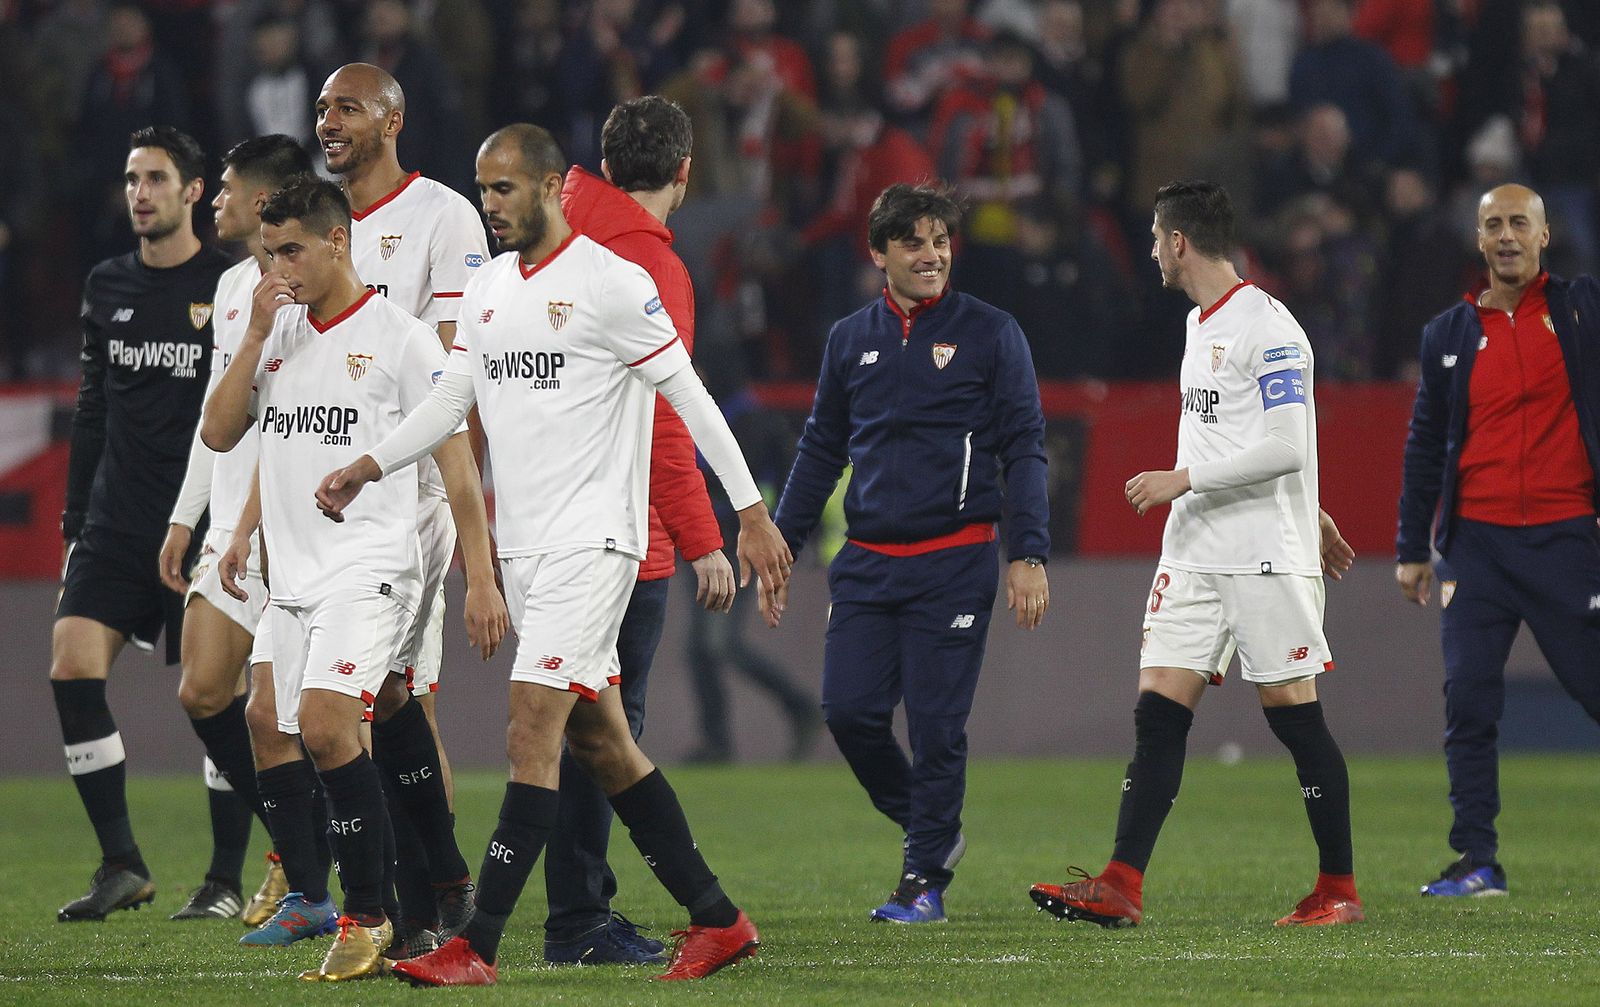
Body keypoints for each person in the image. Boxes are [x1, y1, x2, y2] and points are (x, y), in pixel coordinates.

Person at [313, 123, 790, 987]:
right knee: (606, 743)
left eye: (503, 189)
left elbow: (691, 395)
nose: (489, 205)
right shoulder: (491, 288)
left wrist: (749, 510)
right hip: (527, 549)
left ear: (548, 188)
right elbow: (451, 396)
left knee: (530, 728)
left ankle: (477, 943)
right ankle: (719, 918)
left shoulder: (614, 284)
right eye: (482, 189)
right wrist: (368, 463)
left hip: (595, 543)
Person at [1028, 180, 1363, 929]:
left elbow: (1284, 443)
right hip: (1195, 551)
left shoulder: (1269, 328)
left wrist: (1191, 481)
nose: (1150, 250)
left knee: (1294, 719)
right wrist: (1311, 506)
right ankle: (1121, 879)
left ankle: (1337, 887)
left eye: (1154, 237)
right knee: (1157, 711)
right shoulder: (1197, 324)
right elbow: (1243, 436)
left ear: (1179, 241)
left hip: (1260, 557)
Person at [199, 176, 505, 981]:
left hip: (373, 562)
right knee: (378, 706)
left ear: (339, 241)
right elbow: (223, 431)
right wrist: (257, 334)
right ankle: (447, 882)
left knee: (328, 723)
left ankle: (365, 919)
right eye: (269, 255)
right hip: (291, 574)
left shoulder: (402, 338)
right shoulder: (280, 331)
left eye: (292, 251)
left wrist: (479, 573)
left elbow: (457, 460)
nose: (280, 270)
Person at [768, 182, 1051, 924]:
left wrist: (1029, 553)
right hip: (865, 561)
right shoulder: (848, 339)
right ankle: (936, 827)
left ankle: (922, 878)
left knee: (935, 727)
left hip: (954, 559)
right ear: (879, 253)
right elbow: (821, 448)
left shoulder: (993, 333)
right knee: (850, 713)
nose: (932, 256)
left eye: (941, 241)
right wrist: (781, 542)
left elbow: (1025, 448)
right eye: (915, 243)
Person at [540, 94, 732, 967]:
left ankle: (479, 902)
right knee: (606, 736)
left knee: (555, 722)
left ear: (605, 163)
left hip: (535, 523)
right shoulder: (647, 267)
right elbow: (665, 422)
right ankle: (578, 917)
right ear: (685, 174)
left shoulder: (543, 233)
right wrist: (705, 538)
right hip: (622, 538)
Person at [315, 61, 488, 952]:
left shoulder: (445, 216)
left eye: (346, 106)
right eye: (322, 108)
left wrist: (466, 524)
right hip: (328, 494)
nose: (328, 120)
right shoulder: (325, 221)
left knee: (396, 698)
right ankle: (428, 895)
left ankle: (417, 906)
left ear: (392, 118)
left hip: (410, 491)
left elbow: (459, 375)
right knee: (374, 698)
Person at [1395, 183, 1600, 897]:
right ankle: (1477, 859)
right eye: (1493, 225)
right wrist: (1411, 547)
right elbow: (1425, 445)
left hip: (1566, 539)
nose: (1506, 235)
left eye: (1519, 222)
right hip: (1475, 549)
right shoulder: (1447, 335)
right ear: (1478, 241)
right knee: (1469, 702)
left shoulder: (1581, 311)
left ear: (1546, 235)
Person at [52, 125, 232, 923]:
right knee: (71, 668)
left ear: (194, 191)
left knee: (213, 697)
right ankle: (122, 862)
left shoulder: (230, 286)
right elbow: (92, 406)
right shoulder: (107, 284)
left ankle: (226, 876)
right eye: (132, 178)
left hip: (200, 523)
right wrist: (72, 514)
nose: (140, 192)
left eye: (156, 178)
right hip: (117, 522)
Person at [157, 134, 314, 924]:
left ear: (260, 201)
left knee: (286, 715)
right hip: (229, 523)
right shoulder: (227, 290)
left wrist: (250, 516)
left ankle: (305, 863)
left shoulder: (307, 291)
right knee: (200, 687)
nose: (211, 200)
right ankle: (299, 837)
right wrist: (189, 515)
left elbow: (291, 422)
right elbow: (218, 412)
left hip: (285, 525)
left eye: (221, 189)